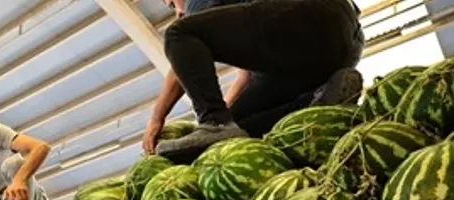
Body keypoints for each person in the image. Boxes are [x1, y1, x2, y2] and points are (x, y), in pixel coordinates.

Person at [144, 0, 365, 158]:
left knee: (178, 34)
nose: (178, 11)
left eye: (172, 4)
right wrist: (226, 117)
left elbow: (182, 58)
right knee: (240, 128)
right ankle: (318, 100)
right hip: (340, 46)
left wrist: (157, 118)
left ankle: (214, 122)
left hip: (311, 15)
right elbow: (245, 77)